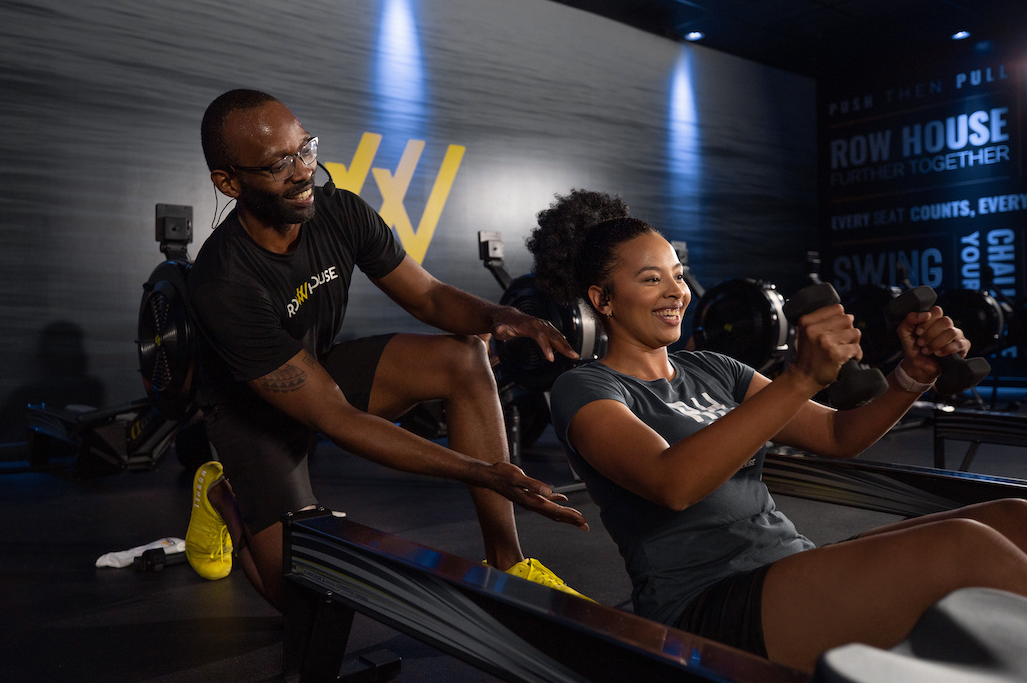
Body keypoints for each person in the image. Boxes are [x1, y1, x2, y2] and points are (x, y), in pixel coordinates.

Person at [530, 189, 1027, 674]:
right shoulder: (587, 387)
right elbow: (672, 484)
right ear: (604, 299)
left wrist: (911, 377)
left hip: (788, 564)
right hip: (706, 605)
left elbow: (836, 434)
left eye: (678, 276)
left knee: (1013, 517)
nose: (675, 292)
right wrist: (801, 377)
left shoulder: (714, 369)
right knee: (965, 547)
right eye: (650, 279)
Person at [185, 89, 589, 611]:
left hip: (316, 373)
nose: (304, 171)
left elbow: (427, 296)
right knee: (300, 602)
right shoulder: (222, 280)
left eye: (305, 149)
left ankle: (511, 567)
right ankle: (225, 496)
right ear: (229, 182)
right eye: (278, 164)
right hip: (252, 416)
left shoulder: (341, 212)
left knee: (464, 356)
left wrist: (501, 316)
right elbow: (335, 418)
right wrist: (481, 470)